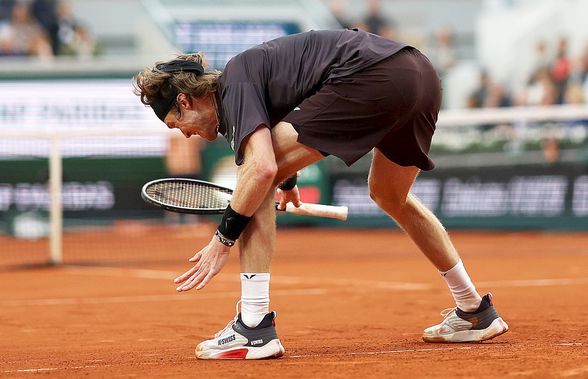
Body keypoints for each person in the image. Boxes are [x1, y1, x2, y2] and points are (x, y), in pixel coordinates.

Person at [134, 28, 509, 360]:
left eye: (177, 123)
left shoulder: (235, 81)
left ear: (185, 101)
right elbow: (284, 131)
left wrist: (222, 240)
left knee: (253, 175)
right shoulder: (246, 82)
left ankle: (253, 328)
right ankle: (474, 309)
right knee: (389, 195)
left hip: (374, 76)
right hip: (420, 76)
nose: (184, 134)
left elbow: (262, 167)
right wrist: (289, 183)